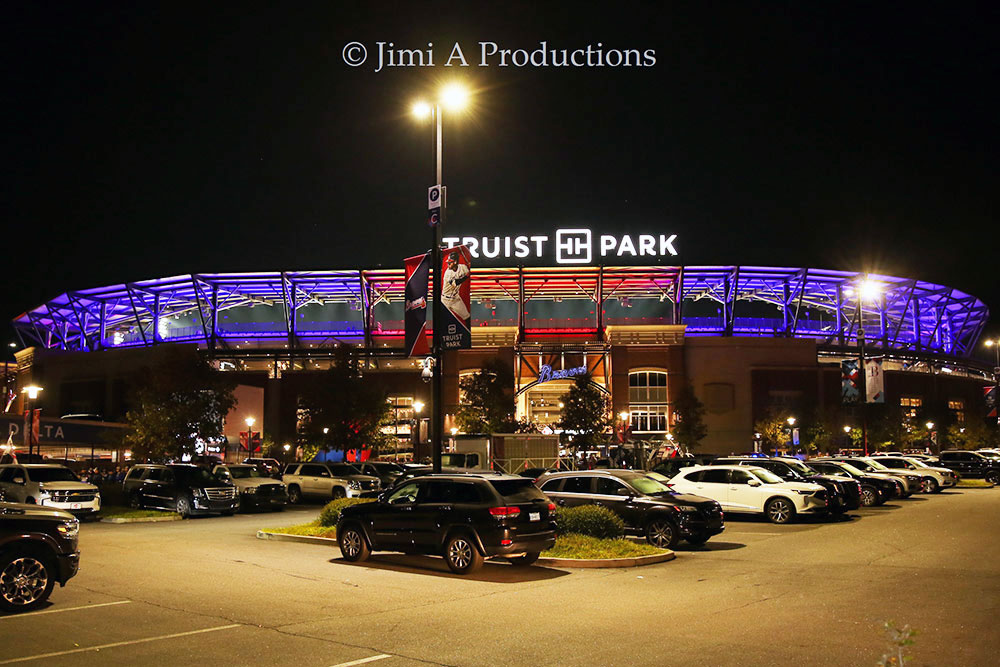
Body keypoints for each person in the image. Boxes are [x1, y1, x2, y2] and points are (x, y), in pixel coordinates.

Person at [441, 253, 470, 321]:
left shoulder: (463, 267)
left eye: (450, 263)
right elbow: (455, 283)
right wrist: (466, 276)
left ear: (455, 262)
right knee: (443, 320)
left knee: (467, 317)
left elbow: (468, 272)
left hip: (456, 299)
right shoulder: (448, 273)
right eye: (448, 263)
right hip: (445, 300)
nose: (448, 265)